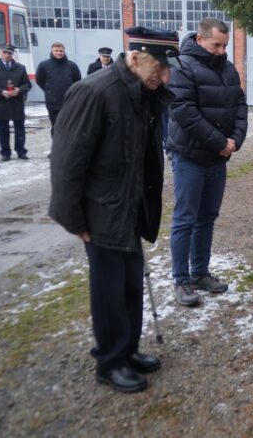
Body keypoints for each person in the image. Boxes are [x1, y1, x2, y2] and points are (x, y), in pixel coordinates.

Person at [49, 26, 179, 393]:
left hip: (129, 206)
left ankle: (128, 349)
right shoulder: (94, 92)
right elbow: (66, 162)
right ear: (134, 57)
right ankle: (109, 362)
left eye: (168, 69)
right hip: (101, 211)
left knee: (130, 282)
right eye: (160, 67)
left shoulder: (142, 92)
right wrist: (74, 218)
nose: (165, 76)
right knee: (108, 289)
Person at [166, 17, 248, 306]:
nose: (221, 51)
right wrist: (219, 142)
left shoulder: (227, 69)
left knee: (207, 219)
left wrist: (236, 139)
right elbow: (184, 112)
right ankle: (181, 279)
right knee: (185, 219)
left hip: (218, 158)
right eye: (216, 45)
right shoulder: (181, 67)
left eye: (225, 45)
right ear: (200, 40)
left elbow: (239, 105)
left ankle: (200, 272)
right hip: (190, 156)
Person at [0, 43, 31, 161]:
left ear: (12, 54)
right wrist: (1, 92)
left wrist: (19, 90)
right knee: (2, 129)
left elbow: (27, 84)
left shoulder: (21, 68)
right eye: (5, 52)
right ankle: (5, 153)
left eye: (9, 53)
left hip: (16, 102)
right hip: (1, 102)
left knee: (19, 128)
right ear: (0, 52)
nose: (7, 55)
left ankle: (21, 151)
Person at [36, 42, 81, 136]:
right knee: (55, 126)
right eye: (56, 51)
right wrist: (50, 91)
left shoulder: (72, 66)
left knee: (69, 126)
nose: (59, 53)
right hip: (52, 103)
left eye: (61, 51)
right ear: (52, 51)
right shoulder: (44, 65)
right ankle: (56, 148)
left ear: (64, 51)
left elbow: (78, 82)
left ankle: (69, 149)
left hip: (69, 102)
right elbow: (40, 81)